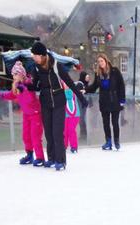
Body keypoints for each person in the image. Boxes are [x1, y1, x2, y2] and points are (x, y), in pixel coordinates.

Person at [29, 41, 87, 171]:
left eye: (35, 55)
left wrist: (81, 98)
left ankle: (60, 160)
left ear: (42, 55)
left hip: (59, 101)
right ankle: (51, 158)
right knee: (49, 133)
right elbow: (35, 85)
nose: (33, 57)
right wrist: (25, 84)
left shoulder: (56, 66)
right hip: (45, 102)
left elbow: (70, 83)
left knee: (57, 132)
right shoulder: (36, 68)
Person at [0, 60, 45, 167]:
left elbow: (30, 94)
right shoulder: (17, 86)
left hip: (35, 114)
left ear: (21, 74)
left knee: (35, 136)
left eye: (16, 74)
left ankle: (40, 158)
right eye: (13, 74)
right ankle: (29, 155)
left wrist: (21, 87)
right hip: (26, 115)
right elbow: (10, 95)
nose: (14, 76)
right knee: (26, 136)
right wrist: (0, 94)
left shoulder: (28, 83)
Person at [85, 53, 125, 151]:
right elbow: (94, 86)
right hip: (104, 102)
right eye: (99, 62)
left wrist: (122, 100)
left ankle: (116, 141)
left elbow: (121, 85)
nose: (100, 63)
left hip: (114, 101)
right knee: (105, 123)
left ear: (106, 61)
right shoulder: (98, 73)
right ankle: (108, 142)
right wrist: (85, 90)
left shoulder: (115, 71)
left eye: (102, 61)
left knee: (115, 122)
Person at [63, 82, 80, 153]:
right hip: (65, 115)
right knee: (65, 131)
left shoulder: (71, 91)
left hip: (74, 115)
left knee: (71, 130)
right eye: (64, 84)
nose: (66, 85)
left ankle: (74, 146)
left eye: (67, 84)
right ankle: (64, 145)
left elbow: (68, 96)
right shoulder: (62, 92)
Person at [75, 70, 90, 141]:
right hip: (81, 105)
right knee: (82, 120)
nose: (88, 79)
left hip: (84, 106)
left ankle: (84, 135)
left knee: (83, 120)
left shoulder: (85, 84)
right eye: (87, 77)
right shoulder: (80, 84)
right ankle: (83, 135)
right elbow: (79, 94)